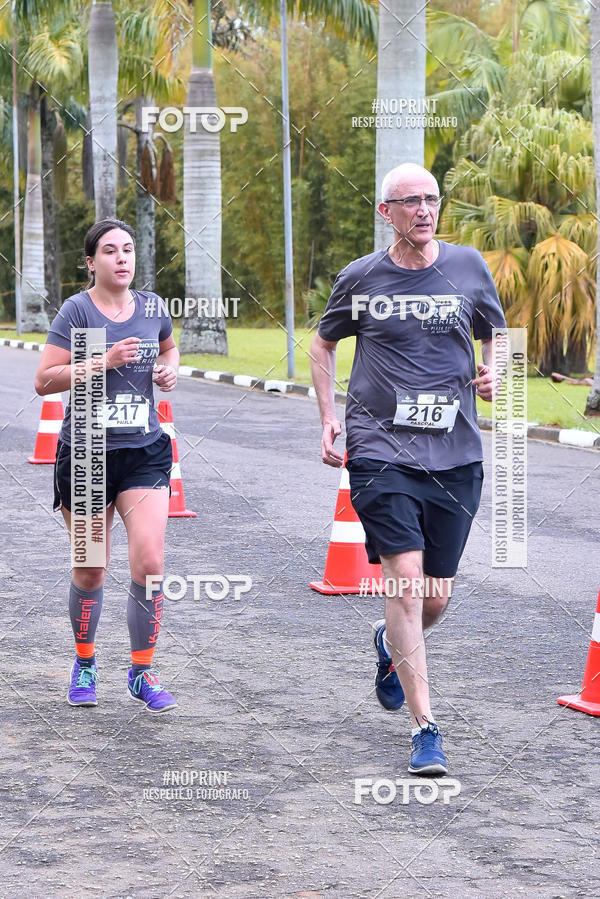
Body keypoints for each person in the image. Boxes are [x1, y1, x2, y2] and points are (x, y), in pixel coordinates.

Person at [310, 163, 506, 775]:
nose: (423, 210)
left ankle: (388, 643)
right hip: (379, 449)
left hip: (455, 452)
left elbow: (496, 332)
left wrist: (495, 370)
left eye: (431, 200)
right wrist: (327, 417)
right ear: (384, 213)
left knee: (435, 597)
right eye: (409, 201)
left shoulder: (469, 266)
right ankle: (427, 728)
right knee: (404, 575)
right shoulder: (361, 277)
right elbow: (323, 343)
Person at [34, 219, 180, 713]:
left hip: (144, 452)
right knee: (92, 568)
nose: (122, 258)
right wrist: (104, 360)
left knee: (151, 562)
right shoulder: (76, 311)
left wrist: (169, 370)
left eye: (128, 250)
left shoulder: (154, 307)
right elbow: (45, 379)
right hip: (88, 455)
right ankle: (86, 662)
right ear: (91, 262)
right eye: (110, 251)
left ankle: (142, 671)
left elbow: (168, 347)